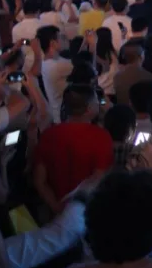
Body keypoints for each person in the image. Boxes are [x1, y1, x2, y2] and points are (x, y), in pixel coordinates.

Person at [33, 84, 114, 215]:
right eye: (96, 102)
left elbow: (39, 181)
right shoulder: (101, 136)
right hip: (87, 213)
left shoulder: (48, 135)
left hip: (54, 214)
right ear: (89, 109)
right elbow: (99, 178)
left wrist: (56, 207)